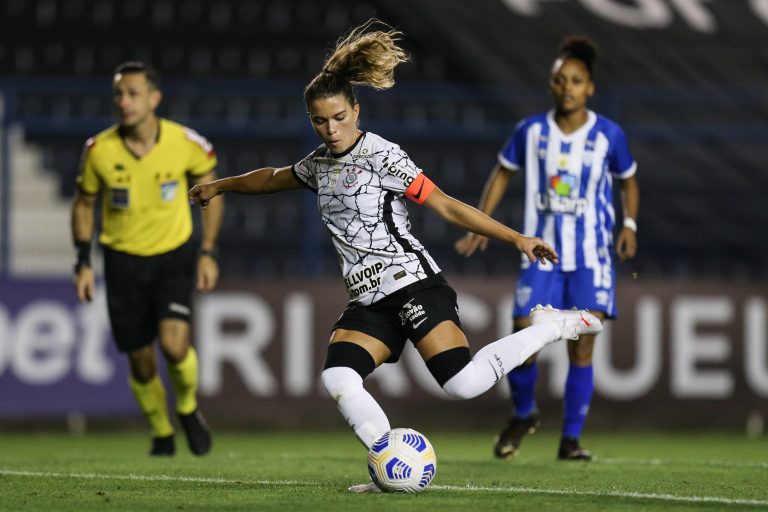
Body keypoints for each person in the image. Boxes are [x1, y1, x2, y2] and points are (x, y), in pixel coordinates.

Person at [189, 20, 602, 491]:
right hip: (368, 301)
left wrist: (517, 238)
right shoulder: (318, 165)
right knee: (340, 376)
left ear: (357, 110)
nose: (331, 128)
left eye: (340, 117)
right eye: (320, 121)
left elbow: (445, 204)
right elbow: (271, 177)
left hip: (412, 283)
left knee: (462, 384)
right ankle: (389, 464)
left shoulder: (383, 156)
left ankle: (549, 325)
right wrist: (219, 186)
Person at [455, 36, 639, 461]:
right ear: (552, 84)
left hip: (591, 257)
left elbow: (628, 179)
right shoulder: (531, 131)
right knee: (524, 333)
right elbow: (502, 173)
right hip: (542, 254)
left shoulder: (610, 135)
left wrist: (628, 223)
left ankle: (571, 440)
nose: (567, 87)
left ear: (589, 86)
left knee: (583, 344)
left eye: (576, 80)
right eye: (560, 80)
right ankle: (524, 414)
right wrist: (485, 223)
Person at [71, 61, 223, 457]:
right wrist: (83, 262)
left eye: (133, 93)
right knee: (140, 361)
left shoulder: (185, 143)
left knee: (174, 346)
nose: (124, 101)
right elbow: (85, 204)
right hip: (122, 261)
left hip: (174, 255)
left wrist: (208, 251)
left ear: (154, 98)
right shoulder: (99, 150)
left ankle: (187, 408)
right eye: (119, 94)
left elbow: (211, 191)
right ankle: (161, 431)